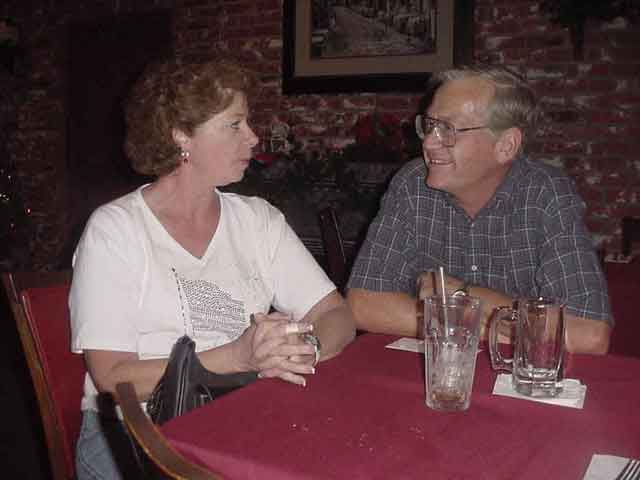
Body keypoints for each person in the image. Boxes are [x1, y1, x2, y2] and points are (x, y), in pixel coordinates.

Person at [69, 56, 356, 479]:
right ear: (180, 134)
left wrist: (305, 349)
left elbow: (335, 313)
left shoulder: (258, 220)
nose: (253, 137)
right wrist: (238, 356)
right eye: (234, 125)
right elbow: (112, 377)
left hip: (239, 417)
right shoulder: (116, 230)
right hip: (138, 435)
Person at [346, 65, 611, 355]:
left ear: (506, 146)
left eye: (448, 129)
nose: (429, 141)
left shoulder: (546, 194)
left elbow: (589, 334)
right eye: (430, 125)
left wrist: (461, 293)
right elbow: (362, 304)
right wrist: (482, 327)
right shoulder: (412, 184)